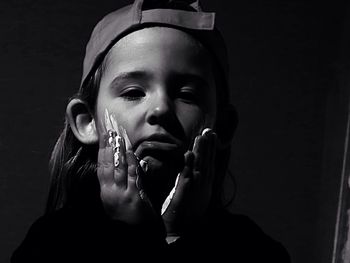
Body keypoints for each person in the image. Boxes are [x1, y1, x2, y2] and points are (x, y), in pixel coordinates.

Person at [11, 0, 291, 262]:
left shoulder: (254, 250)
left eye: (188, 94)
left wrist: (178, 235)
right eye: (134, 92)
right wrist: (131, 233)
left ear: (223, 126)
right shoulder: (52, 243)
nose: (161, 109)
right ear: (87, 122)